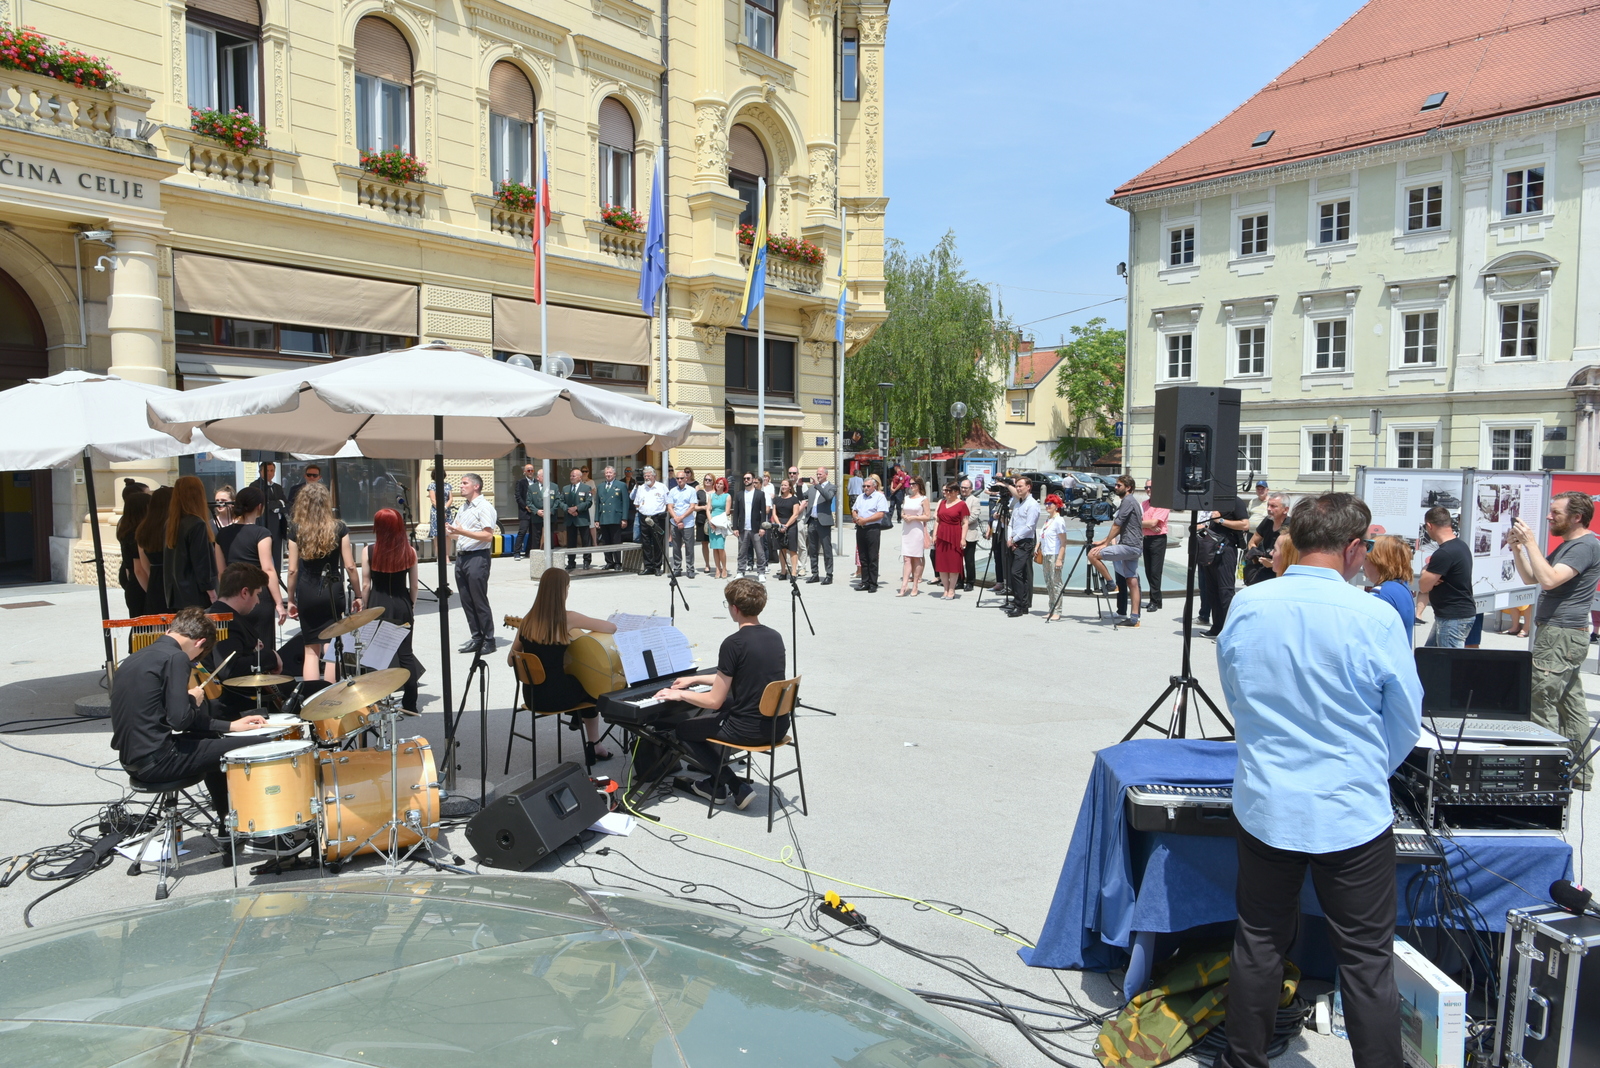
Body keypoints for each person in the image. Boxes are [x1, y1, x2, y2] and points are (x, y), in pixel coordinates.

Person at [1215, 493, 1422, 1068]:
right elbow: (1405, 720)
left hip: (1268, 802)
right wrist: (1362, 772)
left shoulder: (1248, 603)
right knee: (1366, 960)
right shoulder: (1375, 615)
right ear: (1354, 548)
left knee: (1258, 941)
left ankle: (1242, 1061)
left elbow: (1237, 694)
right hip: (1349, 809)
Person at [110, 607, 268, 832]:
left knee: (213, 742)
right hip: (160, 761)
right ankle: (255, 827)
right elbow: (180, 720)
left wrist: (231, 726)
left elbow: (166, 713)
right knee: (260, 745)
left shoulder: (136, 657)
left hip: (132, 761)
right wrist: (193, 699)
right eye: (198, 657)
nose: (195, 662)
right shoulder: (177, 657)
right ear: (200, 642)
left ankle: (226, 823)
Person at [656, 577, 786, 808]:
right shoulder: (774, 636)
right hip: (777, 725)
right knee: (724, 709)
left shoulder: (733, 643)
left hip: (749, 730)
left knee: (684, 730)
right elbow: (739, 676)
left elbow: (714, 700)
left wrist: (680, 694)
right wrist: (695, 679)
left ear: (734, 609)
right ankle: (713, 781)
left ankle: (736, 786)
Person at [1510, 490, 1600, 790]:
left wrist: (1531, 543)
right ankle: (1579, 772)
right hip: (1561, 635)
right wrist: (1518, 548)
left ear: (1577, 517)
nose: (1549, 517)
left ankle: (1549, 774)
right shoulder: (1571, 545)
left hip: (1560, 635)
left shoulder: (1583, 547)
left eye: (1556, 513)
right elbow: (1532, 578)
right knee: (1570, 704)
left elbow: (1549, 580)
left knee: (1541, 699)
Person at [507, 568, 619, 759]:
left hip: (532, 696)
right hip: (558, 697)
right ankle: (594, 744)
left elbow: (511, 661)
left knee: (573, 683)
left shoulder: (527, 620)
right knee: (591, 687)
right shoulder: (568, 618)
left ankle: (581, 723)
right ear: (562, 591)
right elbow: (611, 627)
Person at [287, 481, 362, 681]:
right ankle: (331, 693)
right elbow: (350, 566)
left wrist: (291, 599)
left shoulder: (296, 529)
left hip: (307, 589)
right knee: (332, 647)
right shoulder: (339, 528)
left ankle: (312, 694)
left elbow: (292, 570)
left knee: (311, 650)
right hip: (332, 589)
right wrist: (359, 595)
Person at [363, 507, 426, 712]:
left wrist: (364, 606)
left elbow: (366, 584)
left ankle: (376, 700)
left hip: (377, 603)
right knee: (406, 653)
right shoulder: (410, 551)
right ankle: (410, 703)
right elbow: (414, 585)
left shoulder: (369, 551)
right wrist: (411, 604)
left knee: (376, 654)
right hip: (402, 603)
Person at [205, 563, 282, 717]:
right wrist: (271, 657)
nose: (258, 601)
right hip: (237, 703)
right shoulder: (225, 622)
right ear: (245, 592)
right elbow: (230, 669)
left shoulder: (217, 614)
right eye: (257, 594)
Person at [220, 486, 285, 650]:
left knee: (237, 648)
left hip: (232, 595)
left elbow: (221, 572)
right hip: (258, 595)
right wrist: (279, 603)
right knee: (263, 650)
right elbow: (268, 570)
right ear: (259, 507)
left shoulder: (222, 534)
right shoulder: (261, 533)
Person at [446, 473, 497, 654]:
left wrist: (462, 532)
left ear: (476, 486)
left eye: (464, 483)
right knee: (466, 600)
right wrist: (449, 531)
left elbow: (488, 536)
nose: (461, 486)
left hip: (477, 557)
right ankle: (477, 637)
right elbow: (459, 534)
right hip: (462, 557)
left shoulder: (484, 507)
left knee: (478, 599)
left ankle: (488, 640)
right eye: (461, 483)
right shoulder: (463, 508)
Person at [1088, 474, 1144, 629]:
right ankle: (1134, 618)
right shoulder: (1132, 502)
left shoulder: (1128, 501)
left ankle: (1111, 584)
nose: (1116, 487)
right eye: (1116, 485)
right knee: (1132, 581)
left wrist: (1106, 543)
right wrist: (1105, 541)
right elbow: (1122, 527)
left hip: (1128, 546)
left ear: (1128, 487)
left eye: (1119, 485)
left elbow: (1117, 525)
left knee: (1092, 555)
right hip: (1134, 546)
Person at [1418, 506, 1473, 648]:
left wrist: (1425, 573)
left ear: (1429, 525)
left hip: (1452, 618)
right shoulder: (1460, 546)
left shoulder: (1444, 553)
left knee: (1449, 660)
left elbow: (1423, 586)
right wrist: (1429, 575)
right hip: (1451, 615)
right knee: (1429, 657)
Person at [164, 475, 221, 611]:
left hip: (176, 594)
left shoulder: (171, 523)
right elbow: (201, 563)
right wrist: (212, 593)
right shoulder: (197, 524)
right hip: (196, 594)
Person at [1197, 493, 1250, 638]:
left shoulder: (1234, 501)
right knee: (1212, 591)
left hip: (1226, 550)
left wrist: (1220, 520)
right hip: (1210, 550)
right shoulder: (1210, 501)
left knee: (1225, 592)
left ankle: (1229, 631)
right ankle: (1217, 628)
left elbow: (1245, 524)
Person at [1003, 477, 1039, 617]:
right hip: (1014, 541)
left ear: (1028, 487)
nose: (1018, 488)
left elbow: (1029, 526)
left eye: (1020, 486)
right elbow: (1011, 523)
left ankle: (1020, 604)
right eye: (1016, 486)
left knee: (1017, 573)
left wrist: (1015, 539)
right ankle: (1021, 604)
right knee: (1017, 574)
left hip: (1025, 542)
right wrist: (1010, 538)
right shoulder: (1018, 503)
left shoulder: (1032, 504)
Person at [135, 486, 173, 615]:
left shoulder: (144, 528)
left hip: (155, 580)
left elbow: (144, 565)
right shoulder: (174, 526)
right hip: (174, 580)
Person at [851, 475, 889, 593]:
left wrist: (865, 520)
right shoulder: (860, 497)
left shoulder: (879, 497)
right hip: (860, 528)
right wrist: (856, 518)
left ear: (874, 486)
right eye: (864, 486)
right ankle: (865, 582)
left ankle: (873, 583)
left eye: (868, 486)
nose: (865, 488)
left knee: (872, 556)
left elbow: (880, 514)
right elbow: (854, 510)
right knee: (862, 556)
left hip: (872, 528)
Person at [933, 482, 970, 600]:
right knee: (942, 564)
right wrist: (934, 535)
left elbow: (965, 523)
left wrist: (963, 538)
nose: (947, 493)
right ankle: (945, 589)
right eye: (946, 491)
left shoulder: (962, 504)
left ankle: (952, 589)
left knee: (953, 564)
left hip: (954, 535)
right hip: (942, 535)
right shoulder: (942, 503)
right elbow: (937, 520)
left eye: (950, 491)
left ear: (956, 492)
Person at [117, 485, 150, 617]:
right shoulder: (136, 535)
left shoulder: (125, 530)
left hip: (132, 582)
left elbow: (129, 568)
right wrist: (151, 592)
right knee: (143, 624)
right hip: (140, 585)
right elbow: (139, 569)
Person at [1242, 492, 1289, 586]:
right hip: (1264, 568)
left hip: (1282, 574)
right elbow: (1252, 542)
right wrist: (1257, 557)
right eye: (1268, 505)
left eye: (1273, 506)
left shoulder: (1291, 526)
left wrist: (1273, 564)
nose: (1268, 509)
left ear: (1285, 510)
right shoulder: (1268, 521)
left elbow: (1294, 558)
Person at [250, 460, 288, 571]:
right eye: (267, 471)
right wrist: (279, 503)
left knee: (277, 555)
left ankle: (277, 575)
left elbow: (287, 504)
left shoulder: (278, 487)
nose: (270, 473)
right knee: (264, 554)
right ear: (260, 471)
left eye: (272, 471)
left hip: (278, 526)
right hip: (264, 524)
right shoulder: (255, 486)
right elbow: (264, 504)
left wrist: (277, 506)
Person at [731, 471, 770, 580]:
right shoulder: (739, 494)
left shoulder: (760, 494)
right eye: (744, 478)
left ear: (753, 480)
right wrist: (735, 527)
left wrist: (762, 527)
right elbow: (736, 513)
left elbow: (763, 512)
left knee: (760, 551)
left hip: (756, 528)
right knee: (742, 552)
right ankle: (740, 571)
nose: (746, 480)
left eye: (748, 478)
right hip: (743, 528)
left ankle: (761, 572)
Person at [803, 466, 837, 585]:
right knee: (812, 549)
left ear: (826, 475)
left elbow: (828, 497)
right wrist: (798, 486)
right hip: (812, 521)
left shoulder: (831, 487)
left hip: (824, 522)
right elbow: (802, 496)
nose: (818, 476)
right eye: (817, 474)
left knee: (826, 549)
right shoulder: (812, 488)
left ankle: (829, 574)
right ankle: (815, 574)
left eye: (820, 474)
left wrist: (817, 485)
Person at [632, 466, 668, 575]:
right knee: (646, 542)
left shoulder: (662, 487)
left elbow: (668, 503)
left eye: (649, 476)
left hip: (657, 518)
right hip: (644, 517)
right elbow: (636, 503)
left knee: (658, 542)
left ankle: (657, 567)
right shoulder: (641, 488)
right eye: (645, 476)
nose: (647, 478)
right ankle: (648, 566)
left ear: (654, 476)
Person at [896, 477, 929, 596]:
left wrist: (914, 518)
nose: (911, 486)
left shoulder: (923, 499)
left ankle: (915, 584)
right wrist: (904, 516)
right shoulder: (907, 498)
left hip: (917, 530)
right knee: (906, 558)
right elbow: (903, 512)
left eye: (914, 484)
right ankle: (904, 585)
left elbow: (927, 516)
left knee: (916, 558)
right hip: (907, 530)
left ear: (919, 485)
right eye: (910, 484)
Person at [592, 465, 628, 571]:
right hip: (604, 517)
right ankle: (609, 561)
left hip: (615, 517)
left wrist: (624, 518)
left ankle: (617, 562)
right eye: (606, 473)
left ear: (614, 474)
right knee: (606, 541)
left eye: (610, 473)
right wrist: (596, 519)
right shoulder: (600, 486)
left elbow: (625, 503)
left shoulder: (621, 485)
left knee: (616, 541)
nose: (608, 475)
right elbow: (598, 504)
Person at [1038, 495, 1069, 621]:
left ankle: (1057, 610)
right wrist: (1037, 547)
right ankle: (1051, 608)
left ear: (1057, 506)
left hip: (1055, 554)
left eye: (1050, 503)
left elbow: (1063, 542)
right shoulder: (1048, 519)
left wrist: (1059, 559)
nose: (1047, 506)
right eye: (1046, 503)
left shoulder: (1059, 520)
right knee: (1049, 582)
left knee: (1056, 582)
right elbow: (1043, 536)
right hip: (1046, 553)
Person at [662, 470, 697, 579]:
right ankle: (677, 569)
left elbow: (692, 507)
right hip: (675, 522)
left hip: (688, 523)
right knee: (676, 547)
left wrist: (681, 518)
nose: (679, 480)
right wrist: (677, 519)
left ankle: (690, 569)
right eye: (677, 478)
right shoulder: (673, 491)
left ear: (686, 479)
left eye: (681, 478)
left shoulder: (691, 490)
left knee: (689, 547)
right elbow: (670, 507)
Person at [1140, 480, 1169, 611]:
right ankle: (1156, 599)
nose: (1148, 489)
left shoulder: (1162, 504)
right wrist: (1149, 525)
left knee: (1155, 572)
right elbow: (1138, 520)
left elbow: (1153, 523)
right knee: (1148, 571)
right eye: (1146, 487)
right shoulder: (1144, 504)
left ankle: (1155, 601)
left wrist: (1147, 524)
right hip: (1146, 538)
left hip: (1158, 540)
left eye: (1151, 487)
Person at [766, 478, 802, 580]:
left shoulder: (794, 499)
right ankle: (783, 571)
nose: (783, 487)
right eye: (782, 485)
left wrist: (786, 525)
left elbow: (795, 514)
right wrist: (779, 525)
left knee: (792, 549)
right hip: (779, 525)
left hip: (791, 525)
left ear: (790, 487)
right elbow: (774, 514)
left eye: (785, 485)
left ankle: (794, 572)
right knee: (782, 549)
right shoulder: (777, 499)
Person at [560, 467, 595, 571]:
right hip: (570, 519)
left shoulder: (586, 488)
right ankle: (571, 562)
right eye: (571, 476)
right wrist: (568, 509)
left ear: (580, 477)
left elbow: (588, 502)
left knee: (585, 541)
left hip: (582, 518)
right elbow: (560, 501)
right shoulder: (566, 488)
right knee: (571, 542)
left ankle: (586, 561)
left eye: (574, 476)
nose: (571, 477)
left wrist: (577, 508)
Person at [959, 479, 983, 592]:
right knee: (958, 559)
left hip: (970, 534)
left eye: (966, 488)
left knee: (969, 560)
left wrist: (959, 522)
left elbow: (974, 516)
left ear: (971, 489)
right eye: (962, 487)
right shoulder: (957, 498)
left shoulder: (975, 500)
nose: (963, 490)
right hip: (957, 534)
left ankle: (970, 582)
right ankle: (959, 581)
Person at [707, 476, 732, 579]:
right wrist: (710, 521)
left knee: (720, 547)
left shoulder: (727, 496)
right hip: (712, 522)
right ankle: (717, 568)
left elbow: (727, 511)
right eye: (717, 483)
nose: (718, 485)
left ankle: (724, 568)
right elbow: (708, 509)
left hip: (721, 523)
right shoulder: (711, 496)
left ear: (724, 486)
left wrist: (717, 522)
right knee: (715, 547)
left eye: (721, 484)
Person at [513, 462, 538, 559]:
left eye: (532, 470)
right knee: (522, 531)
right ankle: (517, 552)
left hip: (534, 511)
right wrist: (525, 506)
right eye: (528, 470)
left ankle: (528, 552)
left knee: (533, 532)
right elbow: (518, 496)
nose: (530, 472)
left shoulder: (537, 482)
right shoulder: (521, 482)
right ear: (524, 472)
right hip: (524, 511)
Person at [426, 471, 453, 553]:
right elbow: (433, 500)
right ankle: (439, 556)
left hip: (447, 511)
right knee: (437, 534)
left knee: (448, 534)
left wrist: (445, 508)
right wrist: (441, 511)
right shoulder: (432, 486)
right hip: (436, 511)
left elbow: (450, 499)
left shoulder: (448, 485)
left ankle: (447, 556)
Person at [696, 473, 716, 575]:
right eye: (706, 479)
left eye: (709, 480)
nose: (707, 481)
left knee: (716, 543)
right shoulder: (700, 492)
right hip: (702, 519)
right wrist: (704, 507)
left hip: (715, 519)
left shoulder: (717, 492)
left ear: (713, 482)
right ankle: (707, 564)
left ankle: (718, 565)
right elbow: (694, 507)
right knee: (704, 543)